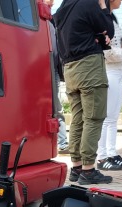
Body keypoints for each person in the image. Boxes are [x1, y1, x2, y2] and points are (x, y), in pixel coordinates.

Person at [54, 0, 114, 185]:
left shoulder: (63, 9)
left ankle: (77, 167)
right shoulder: (88, 3)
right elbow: (107, 28)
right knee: (93, 118)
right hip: (88, 66)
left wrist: (96, 36)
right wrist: (103, 6)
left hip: (70, 68)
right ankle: (88, 170)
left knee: (78, 119)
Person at [94, 0, 122, 172]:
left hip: (117, 72)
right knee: (107, 117)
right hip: (110, 72)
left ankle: (111, 153)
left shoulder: (112, 19)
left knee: (113, 117)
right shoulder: (104, 20)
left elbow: (114, 47)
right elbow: (107, 53)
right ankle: (102, 157)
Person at [43, 0, 69, 153]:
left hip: (53, 70)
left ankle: (62, 143)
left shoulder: (53, 20)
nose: (52, 2)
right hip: (40, 69)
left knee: (56, 107)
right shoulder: (38, 21)